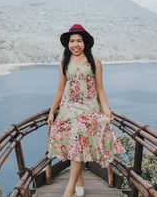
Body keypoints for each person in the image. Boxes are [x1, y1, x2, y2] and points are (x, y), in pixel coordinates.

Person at [47, 24, 125, 197]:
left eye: (79, 41)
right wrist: (52, 112)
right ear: (68, 44)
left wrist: (106, 110)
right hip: (69, 109)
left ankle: (69, 188)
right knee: (74, 143)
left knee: (79, 141)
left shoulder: (94, 61)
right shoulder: (64, 62)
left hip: (89, 109)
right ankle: (79, 180)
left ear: (85, 43)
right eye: (72, 41)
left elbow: (100, 89)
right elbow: (59, 90)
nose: (75, 44)